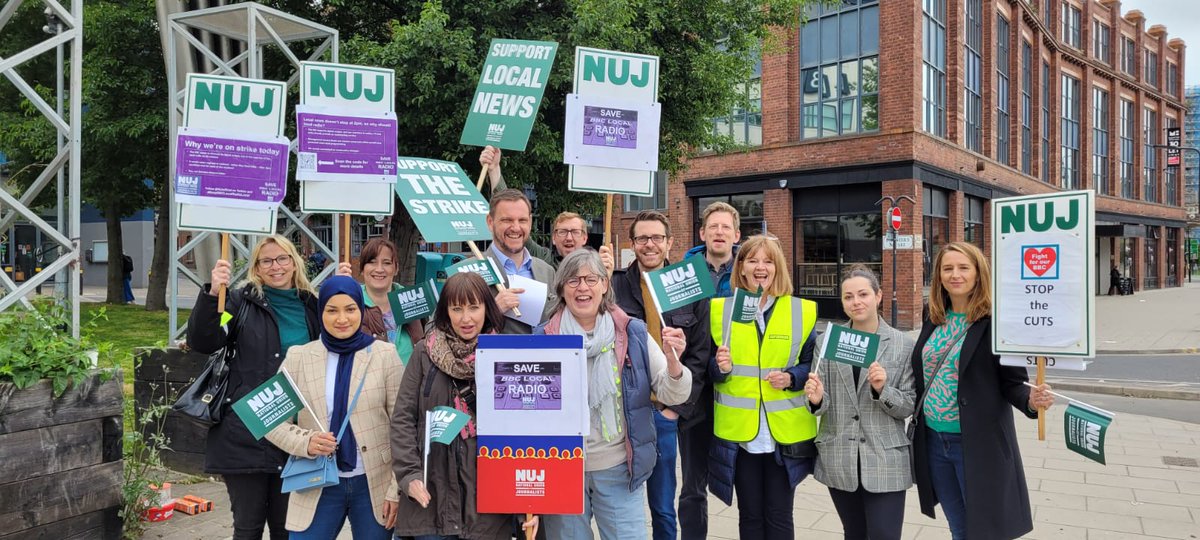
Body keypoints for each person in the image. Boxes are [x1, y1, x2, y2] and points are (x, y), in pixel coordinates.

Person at [536, 249, 692, 540]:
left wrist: (674, 362)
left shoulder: (633, 333)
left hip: (618, 468)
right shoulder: (542, 339)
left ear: (605, 285)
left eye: (591, 279)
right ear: (561, 289)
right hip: (562, 471)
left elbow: (674, 393)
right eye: (572, 280)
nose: (582, 287)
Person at [910, 242, 1055, 540]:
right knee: (959, 528)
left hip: (975, 443)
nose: (955, 275)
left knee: (985, 532)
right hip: (935, 443)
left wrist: (1031, 399)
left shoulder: (995, 323)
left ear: (979, 273)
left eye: (964, 268)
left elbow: (1013, 382)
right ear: (938, 275)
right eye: (947, 268)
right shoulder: (933, 316)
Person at [187, 235, 320, 540]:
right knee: (248, 528)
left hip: (297, 434)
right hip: (246, 433)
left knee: (289, 529)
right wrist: (212, 294)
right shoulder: (237, 303)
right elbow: (203, 340)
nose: (276, 266)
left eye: (282, 258)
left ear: (294, 261)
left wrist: (344, 286)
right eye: (266, 261)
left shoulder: (311, 305)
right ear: (257, 268)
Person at [391, 272, 540, 539]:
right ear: (445, 311)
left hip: (487, 501)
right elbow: (403, 419)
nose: (466, 318)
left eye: (474, 307)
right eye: (456, 308)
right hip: (432, 496)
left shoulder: (506, 356)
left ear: (487, 307)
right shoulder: (424, 353)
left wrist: (526, 502)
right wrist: (410, 475)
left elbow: (522, 429)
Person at [264, 276, 402, 539]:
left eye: (350, 309)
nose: (342, 319)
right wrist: (305, 441)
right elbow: (269, 419)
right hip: (317, 480)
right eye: (332, 310)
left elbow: (404, 426)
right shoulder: (299, 357)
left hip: (374, 482)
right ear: (320, 312)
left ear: (360, 310)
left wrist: (396, 489)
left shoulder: (385, 356)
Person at [611, 211, 712, 540]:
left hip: (665, 411)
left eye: (657, 238)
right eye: (642, 238)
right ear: (633, 244)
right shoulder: (613, 286)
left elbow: (701, 353)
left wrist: (674, 409)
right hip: (625, 411)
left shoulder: (689, 285)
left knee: (663, 505)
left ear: (669, 242)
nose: (649, 244)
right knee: (619, 501)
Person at [708, 235, 817, 540]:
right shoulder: (721, 310)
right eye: (752, 260)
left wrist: (792, 376)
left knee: (780, 517)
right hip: (741, 436)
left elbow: (813, 364)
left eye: (768, 261)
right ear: (740, 267)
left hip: (783, 436)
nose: (760, 267)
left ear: (777, 268)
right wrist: (721, 367)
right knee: (751, 517)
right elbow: (709, 370)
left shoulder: (802, 310)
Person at [804, 265, 916, 540]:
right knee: (853, 533)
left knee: (884, 534)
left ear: (878, 296)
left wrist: (882, 389)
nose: (856, 302)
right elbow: (822, 402)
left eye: (863, 294)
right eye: (848, 297)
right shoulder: (828, 340)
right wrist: (817, 400)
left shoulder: (903, 344)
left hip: (885, 457)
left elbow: (909, 405)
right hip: (840, 456)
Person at [479, 146, 614, 273]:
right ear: (554, 238)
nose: (568, 238)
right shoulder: (545, 263)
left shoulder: (596, 267)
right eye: (562, 232)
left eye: (575, 232)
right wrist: (494, 170)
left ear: (585, 237)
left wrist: (604, 275)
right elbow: (508, 209)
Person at [336, 237, 423, 364]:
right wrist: (337, 293)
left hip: (409, 382)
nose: (379, 269)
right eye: (372, 262)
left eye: (387, 263)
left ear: (396, 268)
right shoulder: (349, 302)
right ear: (362, 268)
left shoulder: (412, 299)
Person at [483, 188, 558, 334]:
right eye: (507, 220)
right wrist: (492, 311)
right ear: (490, 222)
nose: (516, 228)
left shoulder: (547, 271)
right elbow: (438, 330)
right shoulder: (470, 271)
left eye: (522, 220)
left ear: (530, 222)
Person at [686, 202, 741, 298]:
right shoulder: (684, 274)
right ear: (702, 234)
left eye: (726, 227)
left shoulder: (748, 273)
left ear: (736, 236)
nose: (719, 232)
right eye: (713, 226)